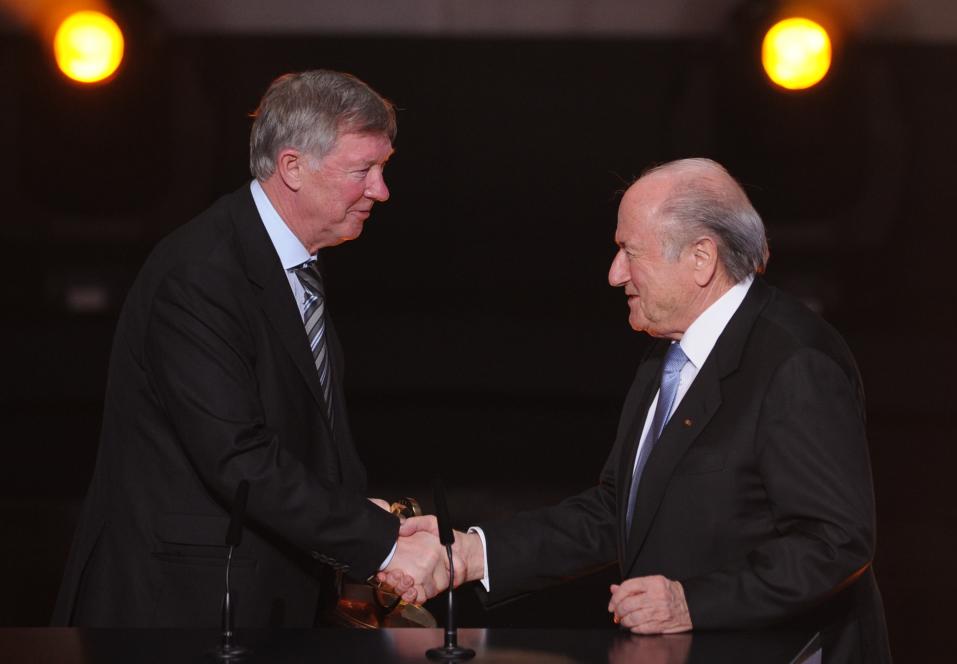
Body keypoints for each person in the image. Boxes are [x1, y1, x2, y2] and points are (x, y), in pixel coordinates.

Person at [399, 158, 890, 662]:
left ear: (701, 259)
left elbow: (836, 542)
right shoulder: (667, 351)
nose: (614, 275)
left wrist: (690, 603)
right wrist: (474, 554)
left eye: (629, 252)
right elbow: (619, 510)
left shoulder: (795, 362)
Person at [53, 70, 447, 628]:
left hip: (250, 602)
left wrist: (362, 516)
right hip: (177, 615)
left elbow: (297, 435)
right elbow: (238, 459)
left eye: (382, 169)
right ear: (292, 167)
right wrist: (380, 542)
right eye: (363, 170)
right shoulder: (202, 273)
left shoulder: (289, 264)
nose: (381, 190)